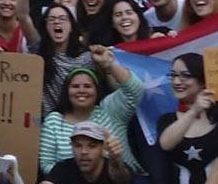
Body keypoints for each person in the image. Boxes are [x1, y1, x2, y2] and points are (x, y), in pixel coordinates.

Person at [39, 45, 143, 175]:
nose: (81, 90)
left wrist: (109, 64)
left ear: (96, 91)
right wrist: (82, 180)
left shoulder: (110, 110)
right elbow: (46, 164)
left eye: (87, 86)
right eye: (75, 86)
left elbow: (136, 90)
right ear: (67, 91)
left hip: (123, 181)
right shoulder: (54, 120)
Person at [158, 53, 218, 184]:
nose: (176, 81)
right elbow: (166, 143)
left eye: (185, 75)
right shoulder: (168, 119)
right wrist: (194, 109)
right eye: (173, 75)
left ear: (202, 81)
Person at [19, 0, 91, 116]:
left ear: (71, 26)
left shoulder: (87, 59)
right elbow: (22, 16)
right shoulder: (39, 52)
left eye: (62, 19)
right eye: (51, 19)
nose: (57, 23)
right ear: (45, 27)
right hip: (48, 127)